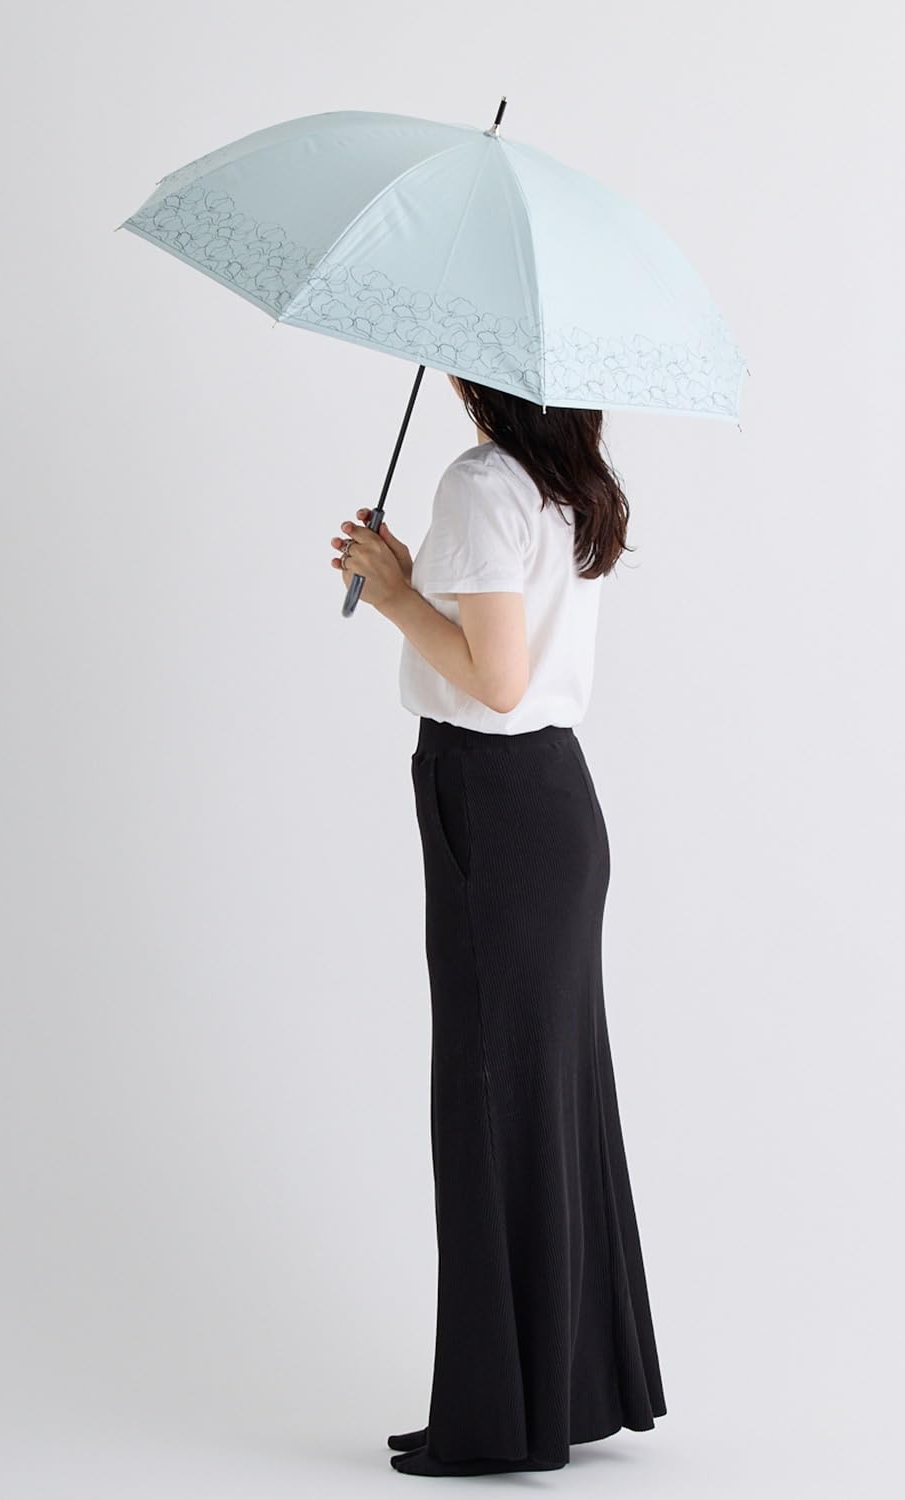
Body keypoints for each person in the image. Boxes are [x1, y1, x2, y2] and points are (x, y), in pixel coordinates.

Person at [330, 374, 666, 1477]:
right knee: (546, 1104)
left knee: (487, 1105)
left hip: (496, 801)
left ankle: (499, 1417)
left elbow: (497, 681)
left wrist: (390, 593)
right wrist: (410, 576)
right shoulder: (568, 482)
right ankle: (560, 1393)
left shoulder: (483, 482)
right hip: (551, 802)